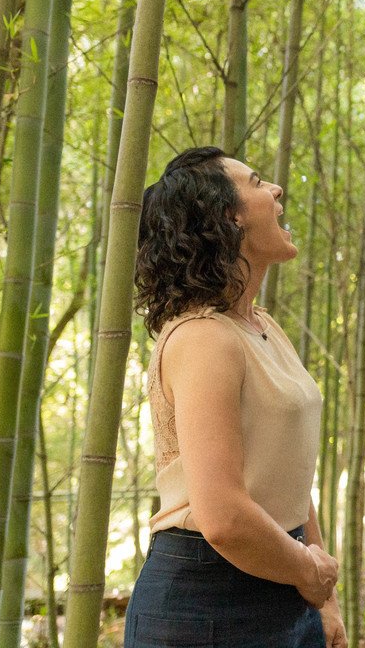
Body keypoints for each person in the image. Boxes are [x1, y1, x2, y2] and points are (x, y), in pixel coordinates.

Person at [124, 146, 347, 648]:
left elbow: (287, 471)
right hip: (204, 597)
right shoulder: (203, 337)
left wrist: (322, 599)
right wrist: (308, 573)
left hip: (282, 575)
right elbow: (222, 516)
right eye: (257, 182)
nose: (276, 190)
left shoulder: (260, 325)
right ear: (228, 219)